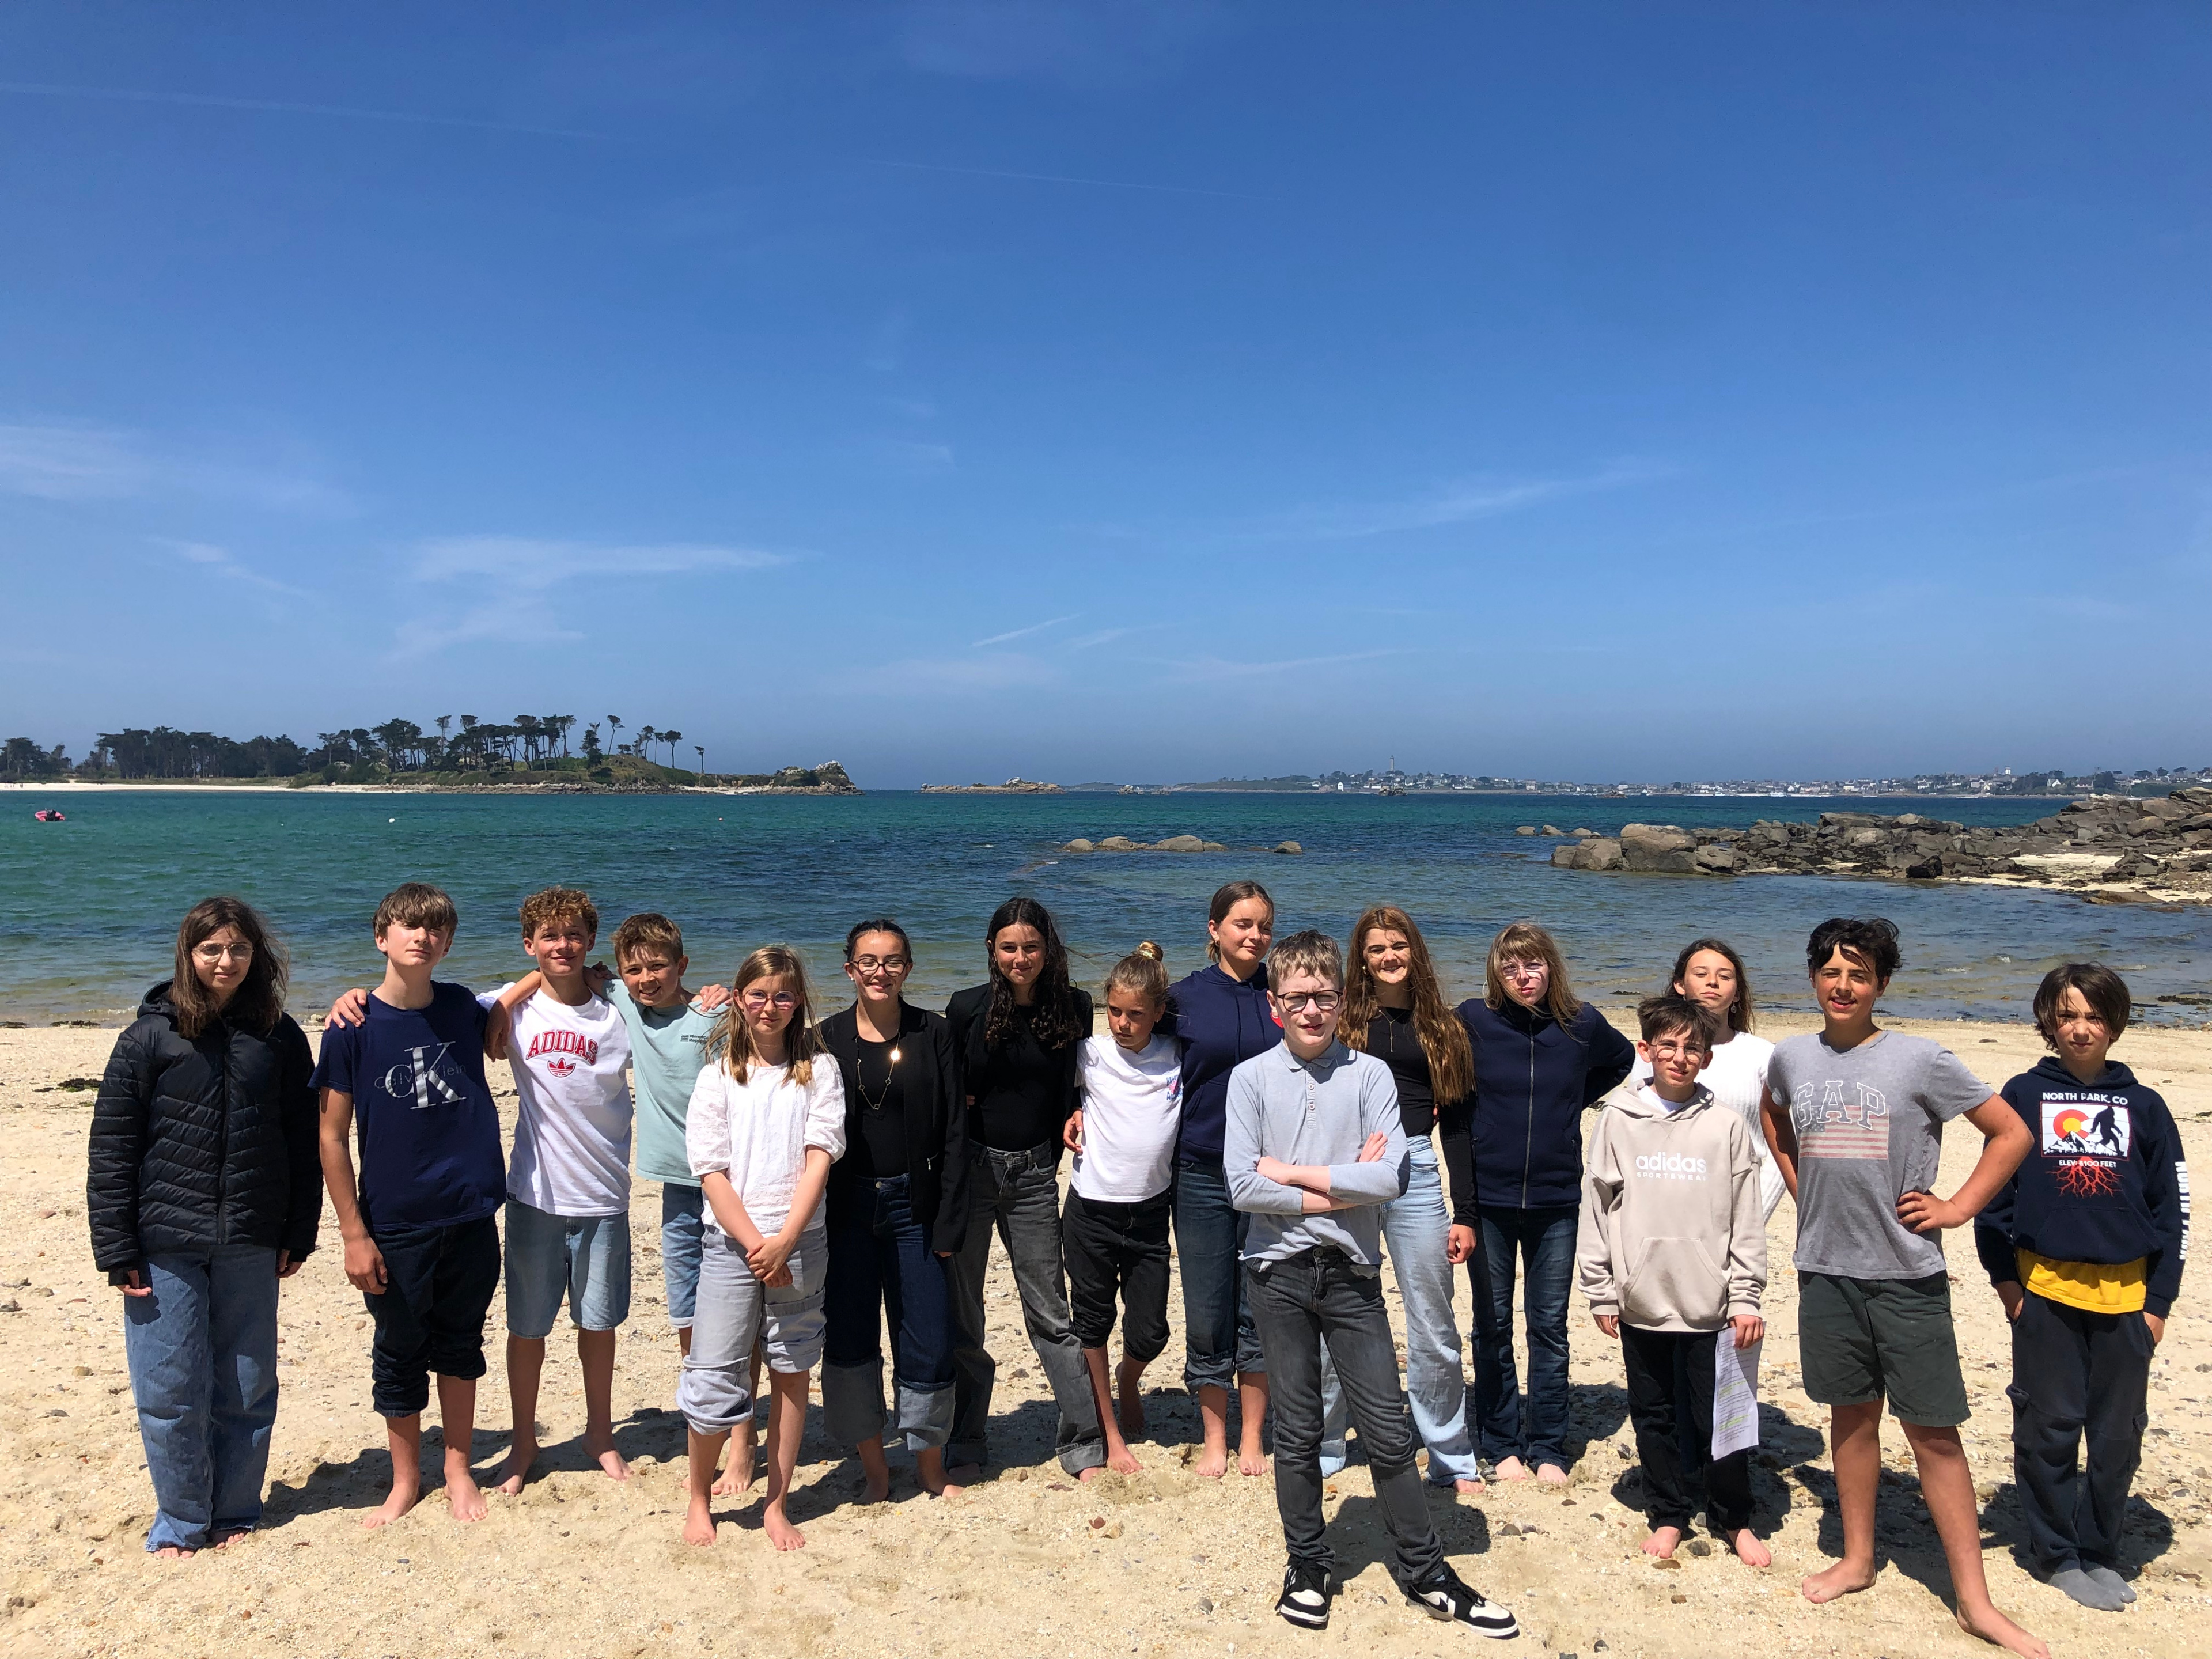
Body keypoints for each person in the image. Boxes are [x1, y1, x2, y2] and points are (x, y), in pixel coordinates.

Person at [1760, 917, 2044, 1659]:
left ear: (1882, 984)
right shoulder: (1792, 1056)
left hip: (1906, 1274)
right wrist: (1800, 1183)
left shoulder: (1921, 1059)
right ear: (1812, 978)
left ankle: (1975, 1601)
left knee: (1934, 1433)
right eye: (1830, 971)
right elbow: (1773, 1113)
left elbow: (2011, 1133)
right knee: (1851, 1418)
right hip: (1825, 1269)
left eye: (1859, 974)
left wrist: (1958, 1207)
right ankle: (1858, 1559)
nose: (1842, 985)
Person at [1225, 930, 1518, 1638]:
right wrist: (1341, 1186)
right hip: (1276, 1272)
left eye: (1324, 996)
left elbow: (1391, 1178)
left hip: (1352, 1274)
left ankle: (1426, 1571)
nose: (1312, 1009)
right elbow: (1241, 1185)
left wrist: (1291, 1174)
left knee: (1387, 1430)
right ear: (1275, 1005)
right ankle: (1308, 1564)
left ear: (1341, 998)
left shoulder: (1372, 1076)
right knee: (1298, 1430)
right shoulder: (1250, 1080)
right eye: (1298, 998)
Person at [88, 897, 320, 1556]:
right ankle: (183, 1520)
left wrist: (299, 1231)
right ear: (188, 955)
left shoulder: (280, 1038)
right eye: (212, 949)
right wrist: (116, 1247)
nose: (226, 961)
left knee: (247, 1387)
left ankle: (237, 1510)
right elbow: (113, 1148)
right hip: (163, 1243)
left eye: (239, 948)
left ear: (257, 956)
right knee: (170, 1389)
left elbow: (302, 1144)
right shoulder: (147, 1039)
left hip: (251, 1235)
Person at [1974, 964, 2188, 1613]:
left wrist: (2159, 1303)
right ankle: (2056, 1553)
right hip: (2045, 1292)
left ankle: (2099, 1548)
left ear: (2116, 1023)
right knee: (2049, 1426)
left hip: (2127, 1299)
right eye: (2067, 1015)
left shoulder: (2145, 1106)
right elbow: (1994, 1199)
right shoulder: (2024, 1094)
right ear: (2048, 1022)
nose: (2081, 1029)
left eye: (2095, 1016)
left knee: (2118, 1434)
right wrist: (2008, 1284)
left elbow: (2171, 1211)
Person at [313, 883, 507, 1527]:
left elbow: (534, 985)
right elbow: (331, 1136)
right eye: (408, 926)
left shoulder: (461, 1007)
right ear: (382, 938)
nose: (422, 937)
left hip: (471, 1209)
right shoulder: (352, 1025)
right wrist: (353, 1234)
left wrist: (589, 974)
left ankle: (457, 1468)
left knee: (461, 1343)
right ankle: (405, 1479)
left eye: (435, 929)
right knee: (398, 1350)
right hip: (395, 1219)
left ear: (448, 944)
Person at [1579, 995, 1769, 1566]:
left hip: (1711, 1303)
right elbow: (1597, 1205)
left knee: (1722, 1418)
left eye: (1692, 1048)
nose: (1680, 1057)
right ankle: (1668, 1514)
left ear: (1707, 1058)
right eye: (1669, 1046)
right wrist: (1600, 1288)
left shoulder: (1726, 1125)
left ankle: (1733, 1517)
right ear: (1646, 1050)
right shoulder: (1618, 1120)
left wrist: (1746, 1296)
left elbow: (1746, 1216)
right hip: (1642, 1299)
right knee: (1654, 1414)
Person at [1456, 921, 1635, 1484]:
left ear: (1550, 967)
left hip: (1556, 1199)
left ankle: (1549, 1446)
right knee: (1492, 1325)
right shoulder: (1473, 1020)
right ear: (1496, 974)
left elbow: (1622, 1060)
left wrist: (1569, 1100)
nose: (1523, 976)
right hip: (1489, 1198)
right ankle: (1501, 1441)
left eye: (1532, 964)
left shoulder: (1582, 1024)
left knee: (1549, 1327)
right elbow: (1444, 1079)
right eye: (1510, 967)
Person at [680, 945, 845, 1550]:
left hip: (801, 1241)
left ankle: (777, 1503)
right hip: (732, 1246)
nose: (769, 1007)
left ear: (798, 1001)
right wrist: (757, 1245)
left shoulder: (819, 1070)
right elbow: (711, 1171)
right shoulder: (717, 1076)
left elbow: (820, 1156)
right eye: (758, 995)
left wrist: (786, 1240)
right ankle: (699, 1499)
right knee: (715, 1373)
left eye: (782, 996)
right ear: (739, 999)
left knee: (791, 1369)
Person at [1318, 905, 1483, 1493]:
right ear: (1360, 960)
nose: (1388, 957)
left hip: (1416, 1167)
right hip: (1350, 1168)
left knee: (1433, 1319)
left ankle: (1450, 1454)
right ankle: (1326, 1444)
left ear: (1415, 950)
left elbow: (1457, 1124)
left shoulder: (1441, 1026)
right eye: (1376, 949)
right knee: (1335, 1308)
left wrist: (1465, 1213)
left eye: (1398, 945)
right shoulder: (1342, 1021)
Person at [483, 888, 637, 1493]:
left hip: (605, 1195)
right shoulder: (510, 1009)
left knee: (598, 1326)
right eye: (549, 936)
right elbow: (426, 1006)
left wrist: (712, 996)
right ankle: (524, 1442)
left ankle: (601, 1434)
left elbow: (675, 1009)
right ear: (529, 945)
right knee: (528, 1329)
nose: (563, 945)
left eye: (573, 934)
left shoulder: (618, 1009)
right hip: (534, 1197)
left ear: (591, 941)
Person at [944, 897, 1103, 1477]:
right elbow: (949, 1092)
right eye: (1009, 948)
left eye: (1031, 947)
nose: (1020, 958)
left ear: (1047, 949)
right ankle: (965, 1437)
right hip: (974, 1172)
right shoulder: (966, 1007)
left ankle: (1084, 1440)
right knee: (965, 1315)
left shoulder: (1076, 1007)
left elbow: (1075, 1084)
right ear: (992, 950)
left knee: (1051, 1311)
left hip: (1035, 1174)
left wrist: (1076, 1112)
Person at [818, 919, 972, 1501]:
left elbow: (955, 1129)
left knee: (927, 1335)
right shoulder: (825, 1038)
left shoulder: (934, 1032)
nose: (879, 971)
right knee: (850, 1335)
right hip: (846, 1208)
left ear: (908, 968)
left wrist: (950, 1220)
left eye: (892, 961)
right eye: (868, 961)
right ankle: (876, 1469)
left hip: (916, 1205)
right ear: (849, 969)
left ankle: (929, 1465)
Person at [1168, 879, 1280, 1478]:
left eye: (1264, 926)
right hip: (1201, 1170)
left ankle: (1253, 1436)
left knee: (1258, 1304)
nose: (1255, 936)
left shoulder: (1283, 993)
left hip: (1269, 1173)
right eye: (1242, 924)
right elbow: (1138, 1066)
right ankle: (1215, 1437)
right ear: (1214, 929)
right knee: (1209, 1306)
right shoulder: (1181, 998)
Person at [1063, 942, 1184, 1476]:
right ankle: (1109, 1431)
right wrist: (1068, 1111)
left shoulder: (1177, 1054)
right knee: (1092, 1322)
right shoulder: (1088, 1054)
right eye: (1114, 1011)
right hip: (1091, 1209)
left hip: (1151, 1212)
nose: (1123, 1024)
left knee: (1151, 1330)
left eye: (1136, 1014)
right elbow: (1043, 1089)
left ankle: (1128, 1377)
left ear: (1158, 1012)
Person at [1628, 938, 1785, 1221]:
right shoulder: (1657, 1053)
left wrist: (1754, 1217)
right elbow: (1635, 1131)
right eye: (1701, 974)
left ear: (1737, 994)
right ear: (1680, 985)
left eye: (1725, 977)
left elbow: (1781, 1145)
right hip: (1659, 1203)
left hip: (1735, 1202)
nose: (1712, 982)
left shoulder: (1763, 1056)